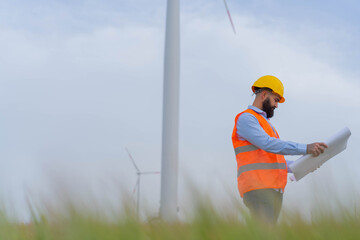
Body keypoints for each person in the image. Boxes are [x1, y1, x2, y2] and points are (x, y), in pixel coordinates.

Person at [231, 75, 328, 224]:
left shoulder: (265, 123)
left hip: (272, 190)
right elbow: (268, 144)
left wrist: (304, 165)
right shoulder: (246, 119)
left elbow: (275, 159)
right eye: (276, 100)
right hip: (258, 189)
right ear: (264, 95)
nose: (277, 105)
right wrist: (305, 148)